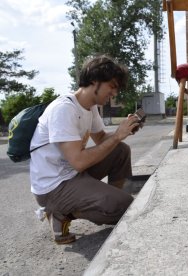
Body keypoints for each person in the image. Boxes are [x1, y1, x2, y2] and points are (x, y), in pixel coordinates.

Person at [30, 55, 140, 244]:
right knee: (126, 207)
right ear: (94, 80)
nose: (114, 94)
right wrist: (116, 136)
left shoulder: (91, 108)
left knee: (120, 150)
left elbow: (101, 139)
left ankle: (112, 201)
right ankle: (60, 213)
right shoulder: (63, 109)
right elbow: (79, 162)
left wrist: (124, 130)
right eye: (112, 86)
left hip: (72, 175)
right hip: (53, 187)